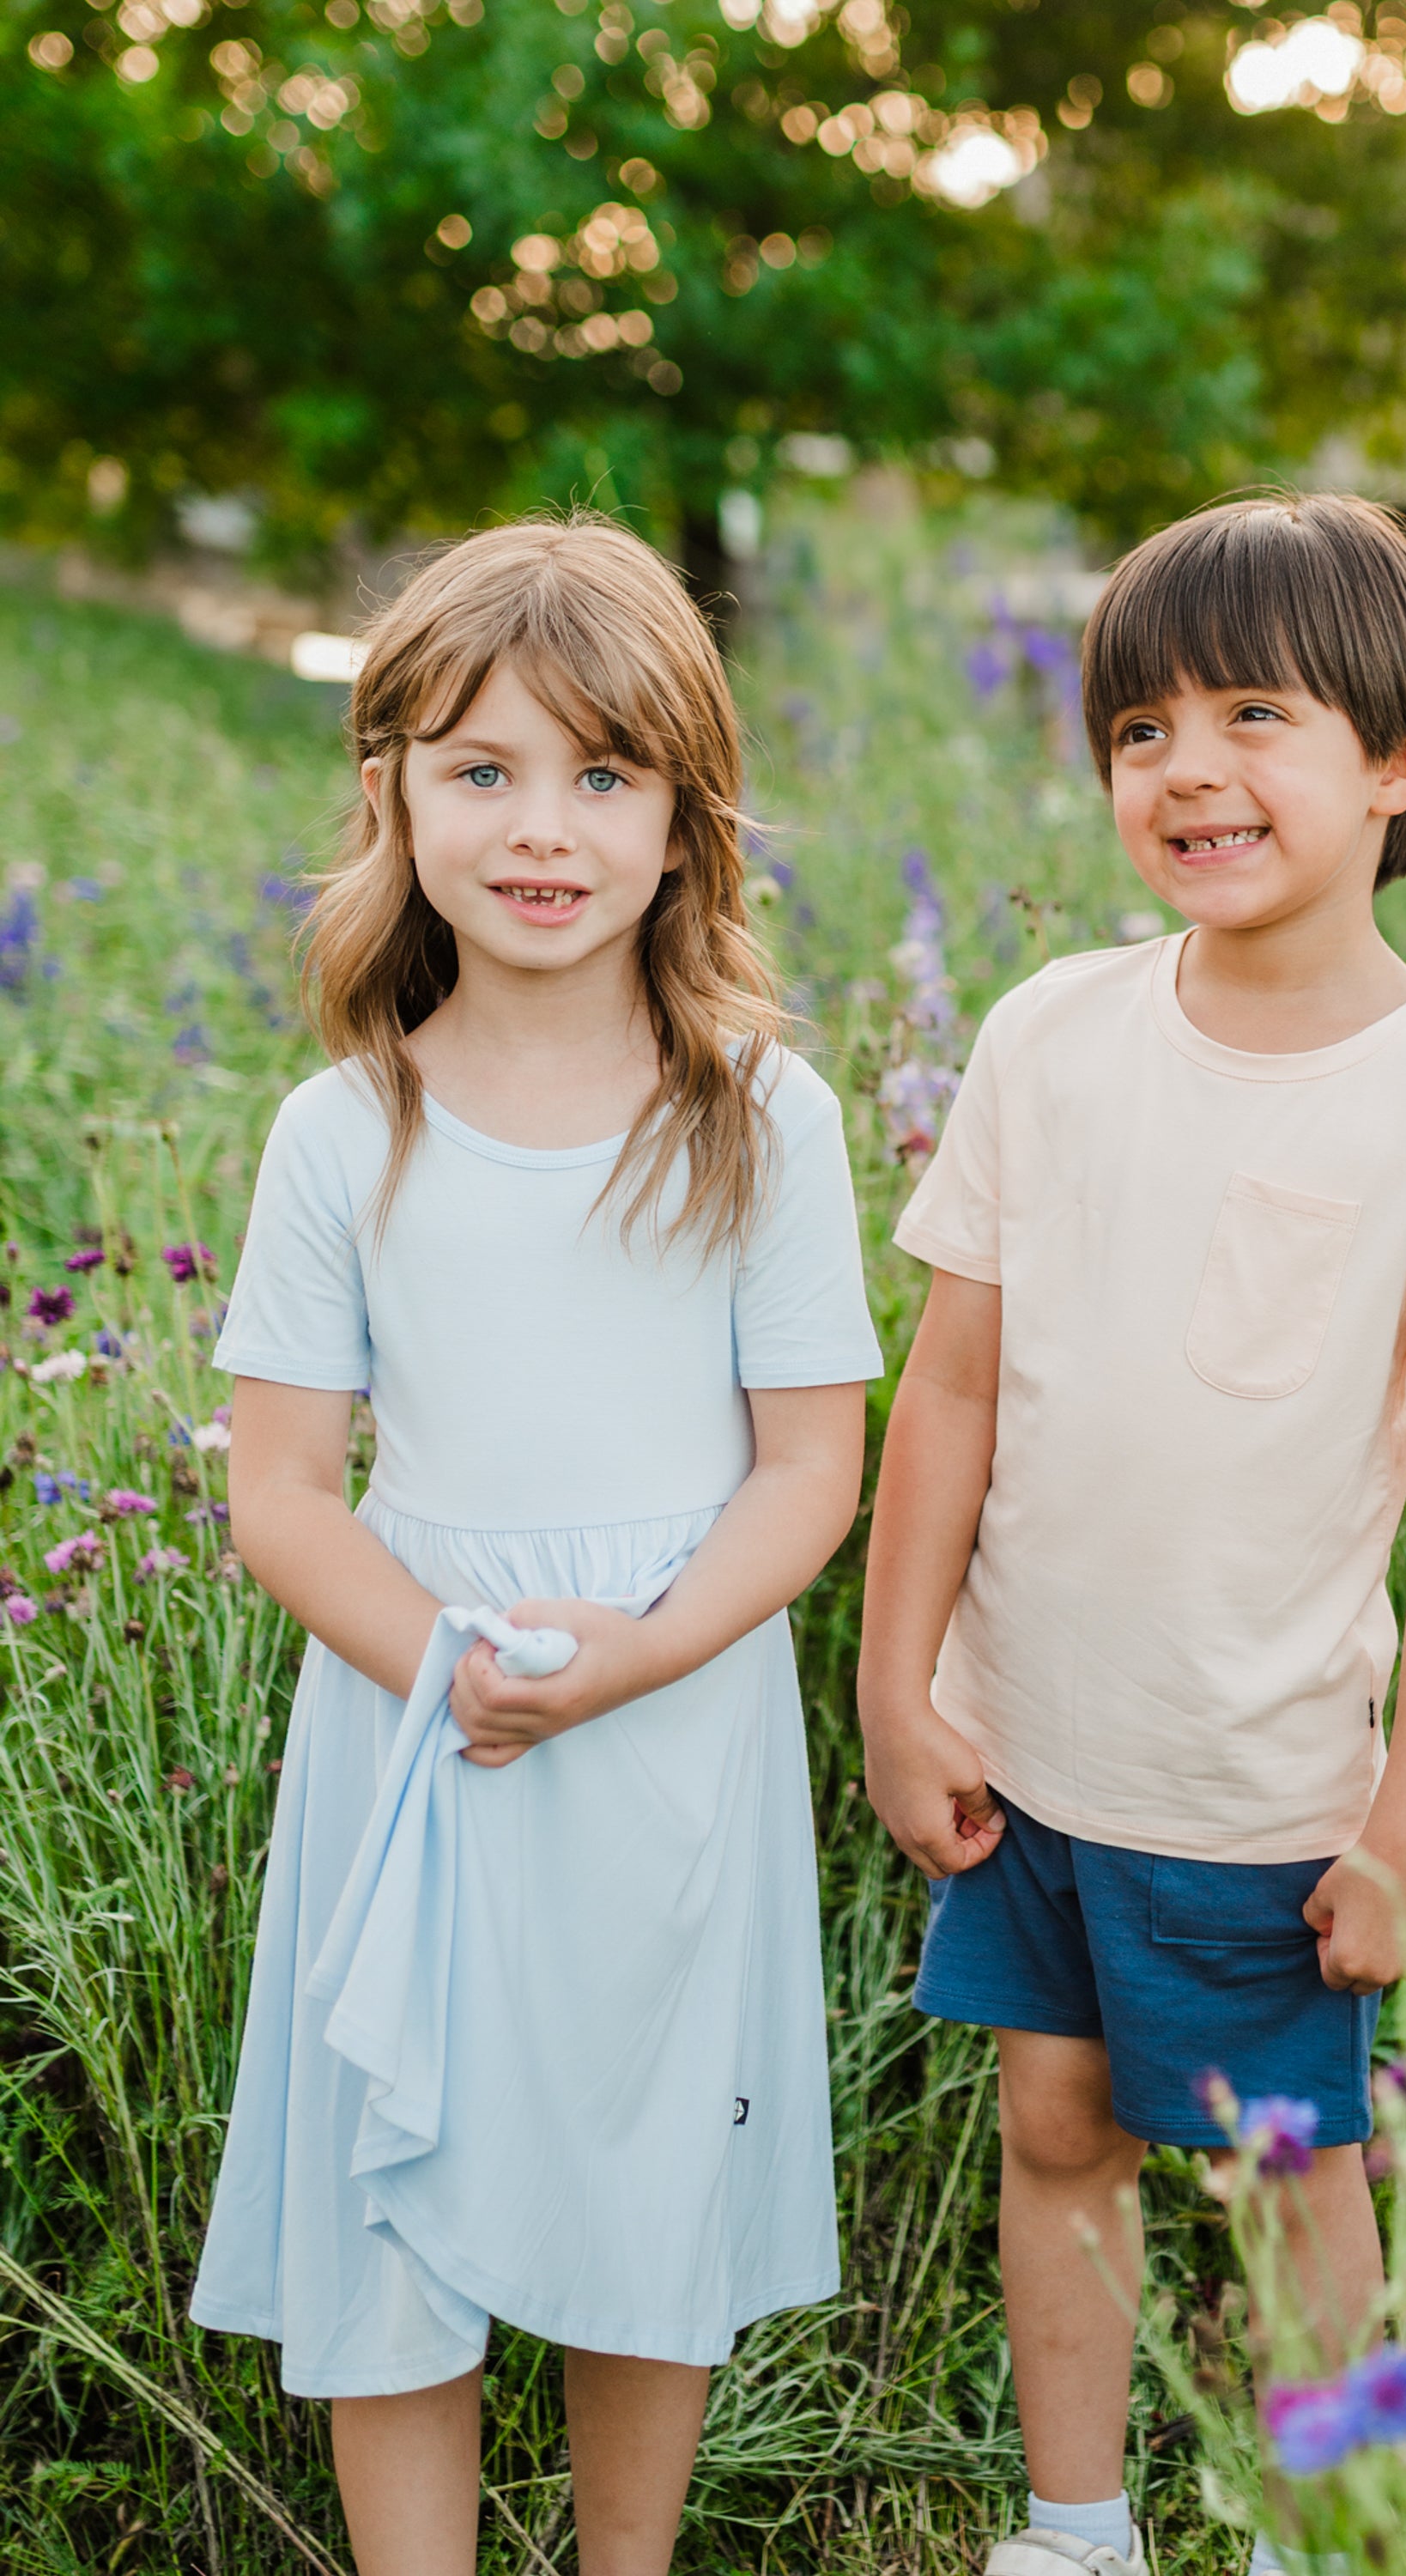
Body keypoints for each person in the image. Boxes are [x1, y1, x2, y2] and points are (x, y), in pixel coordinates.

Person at [856, 492, 1406, 2576]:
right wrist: (897, 1688)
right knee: (1054, 2129)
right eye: (1142, 729)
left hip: (1262, 1783)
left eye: (1254, 715)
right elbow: (957, 1391)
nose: (1188, 769)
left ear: (1404, 755)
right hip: (1028, 1752)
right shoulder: (1049, 1034)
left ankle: (1313, 2533)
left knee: (1294, 2171)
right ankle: (1075, 2530)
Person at [191, 518, 879, 2576]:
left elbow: (806, 1473)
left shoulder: (764, 1117)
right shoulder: (347, 1131)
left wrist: (636, 1657)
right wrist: (451, 1673)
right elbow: (282, 1490)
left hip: (664, 1724)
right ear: (392, 793)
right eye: (481, 772)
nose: (541, 828)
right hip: (418, 1728)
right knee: (392, 2199)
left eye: (602, 774)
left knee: (634, 2183)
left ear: (685, 823)